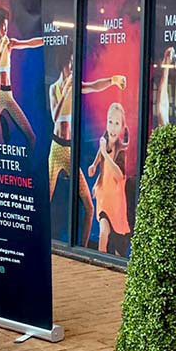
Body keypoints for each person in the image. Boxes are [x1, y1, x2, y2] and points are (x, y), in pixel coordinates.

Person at [47, 48, 126, 246]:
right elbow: (55, 116)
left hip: (69, 150)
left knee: (89, 207)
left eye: (74, 63)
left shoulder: (76, 86)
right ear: (63, 64)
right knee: (45, 198)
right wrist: (66, 91)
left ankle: (81, 247)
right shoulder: (55, 89)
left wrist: (112, 80)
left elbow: (94, 86)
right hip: (56, 149)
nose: (72, 67)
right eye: (70, 63)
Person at [0, 7, 43, 149]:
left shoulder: (10, 43)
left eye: (7, 26)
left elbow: (29, 43)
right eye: (3, 26)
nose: (6, 29)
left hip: (8, 94)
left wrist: (47, 40)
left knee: (31, 137)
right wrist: (2, 48)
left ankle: (29, 161)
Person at [89, 102, 130, 256]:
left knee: (119, 248)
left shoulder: (121, 151)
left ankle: (114, 264)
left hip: (117, 206)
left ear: (122, 128)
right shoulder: (104, 141)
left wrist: (106, 155)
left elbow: (119, 176)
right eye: (110, 122)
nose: (112, 127)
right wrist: (94, 166)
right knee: (103, 232)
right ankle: (100, 262)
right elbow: (101, 159)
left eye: (117, 123)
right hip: (104, 200)